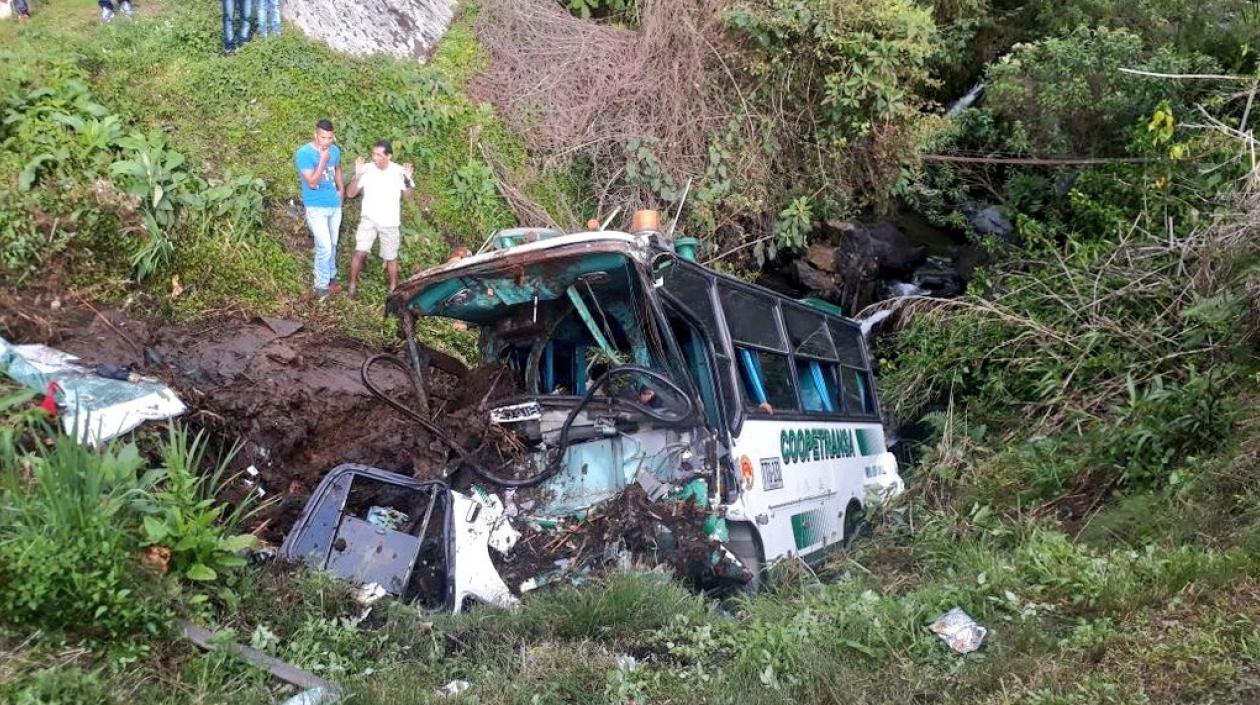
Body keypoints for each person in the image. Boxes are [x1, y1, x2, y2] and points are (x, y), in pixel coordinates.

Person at [346, 140, 414, 297]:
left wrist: (408, 181)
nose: (374, 157)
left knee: (391, 257)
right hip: (368, 219)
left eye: (379, 154)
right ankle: (352, 286)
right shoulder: (366, 170)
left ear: (388, 156)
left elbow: (409, 199)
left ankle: (393, 289)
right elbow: (350, 194)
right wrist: (357, 176)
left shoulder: (399, 171)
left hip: (390, 222)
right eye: (373, 154)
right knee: (360, 252)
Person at [294, 119, 345, 299]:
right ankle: (321, 285)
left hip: (334, 205)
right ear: (315, 134)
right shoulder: (304, 153)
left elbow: (337, 168)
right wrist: (323, 160)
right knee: (323, 245)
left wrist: (341, 190)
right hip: (316, 206)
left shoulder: (335, 151)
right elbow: (312, 181)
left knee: (332, 244)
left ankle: (331, 278)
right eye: (323, 137)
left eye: (330, 138)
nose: (326, 141)